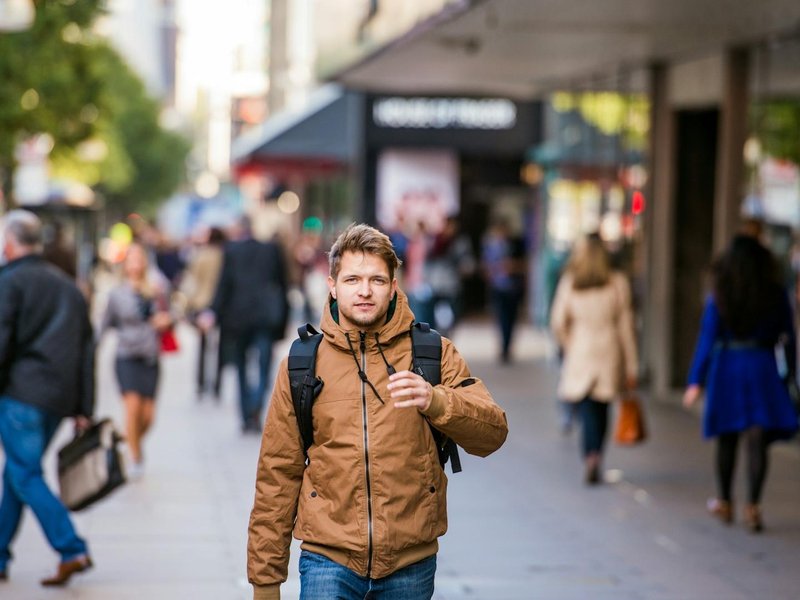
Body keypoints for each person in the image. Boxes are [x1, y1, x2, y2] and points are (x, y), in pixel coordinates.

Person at [247, 223, 508, 600]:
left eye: (377, 280)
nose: (365, 291)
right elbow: (277, 474)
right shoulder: (303, 363)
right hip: (327, 559)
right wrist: (265, 581)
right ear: (333, 285)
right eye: (352, 279)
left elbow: (493, 432)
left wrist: (437, 401)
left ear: (394, 286)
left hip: (409, 563)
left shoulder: (432, 352)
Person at [0, 210, 94, 586]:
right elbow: (87, 349)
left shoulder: (10, 282)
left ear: (9, 243)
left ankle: (71, 547)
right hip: (58, 398)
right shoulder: (67, 286)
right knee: (16, 474)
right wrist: (84, 406)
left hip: (22, 394)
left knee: (24, 472)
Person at [683, 234, 798, 532]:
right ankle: (754, 507)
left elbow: (707, 338)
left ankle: (724, 501)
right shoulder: (774, 293)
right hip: (762, 366)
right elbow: (788, 337)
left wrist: (696, 380)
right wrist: (791, 375)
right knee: (758, 439)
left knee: (727, 437)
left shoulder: (720, 294)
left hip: (728, 368)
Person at [550, 234, 638, 484]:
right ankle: (596, 454)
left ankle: (589, 456)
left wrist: (569, 343)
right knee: (602, 407)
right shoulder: (618, 281)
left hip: (581, 349)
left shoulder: (571, 282)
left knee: (586, 407)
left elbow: (558, 321)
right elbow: (626, 326)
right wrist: (632, 364)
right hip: (610, 351)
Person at [200, 217, 289, 433]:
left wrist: (212, 311)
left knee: (241, 367)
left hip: (237, 318)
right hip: (264, 317)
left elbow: (224, 285)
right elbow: (283, 285)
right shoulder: (272, 250)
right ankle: (256, 404)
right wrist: (283, 320)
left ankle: (246, 413)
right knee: (264, 364)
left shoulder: (231, 251)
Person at [100, 243, 172, 478]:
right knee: (132, 409)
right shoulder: (116, 294)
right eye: (131, 259)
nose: (136, 264)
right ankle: (135, 456)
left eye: (140, 259)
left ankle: (127, 440)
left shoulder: (156, 289)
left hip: (150, 357)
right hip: (126, 357)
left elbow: (171, 316)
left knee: (148, 416)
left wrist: (166, 321)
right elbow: (103, 326)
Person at [180, 227, 226, 400]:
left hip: (200, 303)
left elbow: (191, 281)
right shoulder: (224, 256)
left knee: (202, 346)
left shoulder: (199, 255)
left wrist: (187, 304)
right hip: (219, 305)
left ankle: (200, 383)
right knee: (220, 346)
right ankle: (216, 384)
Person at [481, 220, 525, 364]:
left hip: (513, 288)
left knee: (511, 319)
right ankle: (504, 346)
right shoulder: (491, 247)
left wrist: (512, 266)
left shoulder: (516, 245)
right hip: (498, 288)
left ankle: (507, 346)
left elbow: (524, 264)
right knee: (502, 318)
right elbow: (486, 268)